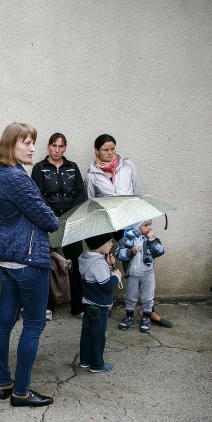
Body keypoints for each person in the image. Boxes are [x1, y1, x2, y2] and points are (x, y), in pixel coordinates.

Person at [0, 122, 59, 408]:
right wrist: (43, 212)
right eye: (26, 142)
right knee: (33, 324)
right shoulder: (17, 177)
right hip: (26, 260)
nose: (32, 148)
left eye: (33, 142)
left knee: (5, 321)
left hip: (9, 259)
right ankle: (21, 391)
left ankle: (4, 382)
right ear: (11, 145)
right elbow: (50, 221)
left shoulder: (2, 173)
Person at [85, 133, 172, 328]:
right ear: (97, 151)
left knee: (135, 259)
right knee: (106, 260)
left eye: (113, 149)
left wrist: (136, 220)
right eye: (106, 150)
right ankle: (105, 303)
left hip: (129, 223)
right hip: (107, 223)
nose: (110, 153)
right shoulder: (92, 174)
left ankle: (149, 309)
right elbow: (91, 202)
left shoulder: (127, 165)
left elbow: (136, 193)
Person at [31, 133, 87, 318]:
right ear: (48, 146)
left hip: (71, 223)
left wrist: (70, 215)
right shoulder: (39, 168)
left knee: (76, 264)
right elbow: (37, 196)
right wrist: (51, 216)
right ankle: (48, 305)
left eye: (61, 146)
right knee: (48, 263)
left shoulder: (72, 167)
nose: (57, 150)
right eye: (54, 146)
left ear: (65, 148)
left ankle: (77, 306)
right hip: (49, 223)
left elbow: (81, 194)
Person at [78, 233, 122, 373]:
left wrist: (108, 265)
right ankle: (97, 364)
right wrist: (117, 276)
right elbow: (106, 284)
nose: (111, 245)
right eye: (109, 242)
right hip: (100, 306)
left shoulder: (86, 257)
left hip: (88, 303)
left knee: (87, 333)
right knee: (98, 335)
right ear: (99, 244)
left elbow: (95, 277)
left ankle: (85, 360)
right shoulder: (97, 262)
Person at [116, 220, 164, 332]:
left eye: (150, 225)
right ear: (137, 226)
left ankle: (146, 317)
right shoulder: (126, 238)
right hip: (132, 273)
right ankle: (129, 316)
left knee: (147, 296)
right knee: (130, 296)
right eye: (146, 225)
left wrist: (152, 240)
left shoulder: (150, 239)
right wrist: (130, 252)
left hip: (148, 272)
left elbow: (160, 251)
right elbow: (119, 253)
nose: (149, 228)